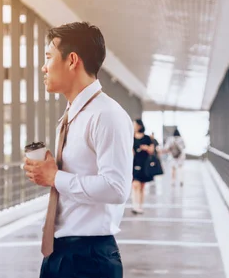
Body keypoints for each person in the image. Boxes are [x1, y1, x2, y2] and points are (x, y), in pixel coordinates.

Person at [22, 22, 133, 278]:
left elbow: (116, 188)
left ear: (72, 60)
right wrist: (47, 172)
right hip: (60, 252)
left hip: (88, 259)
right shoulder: (73, 114)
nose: (43, 66)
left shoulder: (106, 115)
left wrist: (55, 177)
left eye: (49, 57)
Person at [132, 119, 154, 214]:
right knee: (135, 184)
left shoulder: (147, 138)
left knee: (142, 186)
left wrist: (146, 148)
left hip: (144, 164)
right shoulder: (131, 138)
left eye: (135, 125)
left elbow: (152, 150)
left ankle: (140, 205)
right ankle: (135, 205)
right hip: (134, 163)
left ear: (139, 126)